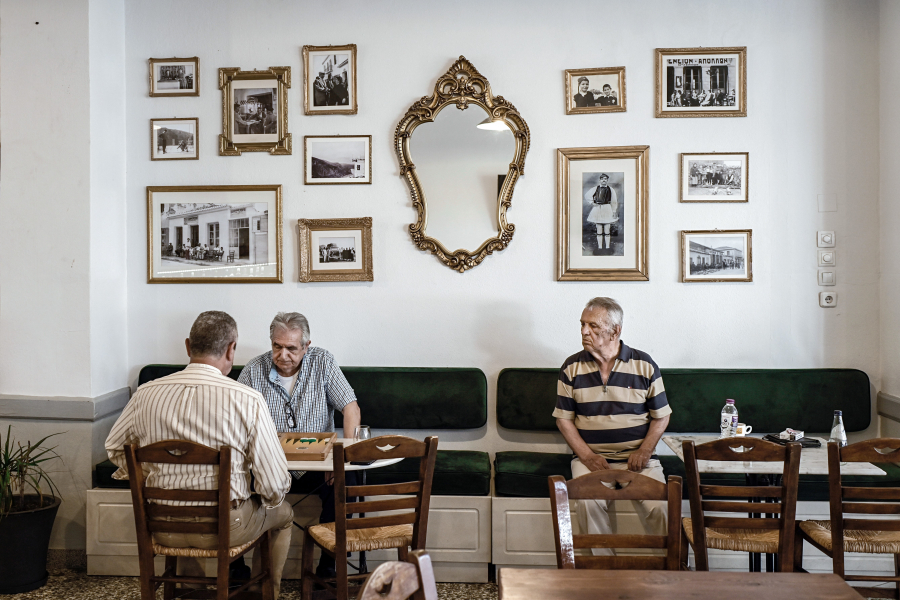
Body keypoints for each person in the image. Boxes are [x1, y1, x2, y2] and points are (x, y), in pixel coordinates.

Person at [105, 311, 293, 598]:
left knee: (181, 508)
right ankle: (260, 593)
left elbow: (115, 447)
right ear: (231, 349)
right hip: (225, 527)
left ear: (188, 346)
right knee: (285, 513)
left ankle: (191, 593)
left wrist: (151, 478)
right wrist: (261, 498)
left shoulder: (145, 394)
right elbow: (274, 483)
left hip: (160, 526)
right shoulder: (247, 399)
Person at [238, 312, 361, 578]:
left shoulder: (323, 362)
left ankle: (329, 566)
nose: (283, 355)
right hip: (269, 468)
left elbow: (350, 408)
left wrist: (342, 458)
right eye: (277, 346)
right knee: (230, 482)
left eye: (291, 348)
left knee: (346, 482)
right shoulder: (253, 369)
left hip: (318, 467)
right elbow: (236, 419)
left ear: (306, 346)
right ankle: (236, 572)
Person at [553, 297, 672, 557]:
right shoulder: (571, 367)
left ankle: (669, 570)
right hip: (590, 460)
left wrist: (645, 451)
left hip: (640, 460)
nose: (584, 331)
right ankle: (604, 572)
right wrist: (588, 457)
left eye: (593, 326)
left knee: (663, 507)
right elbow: (563, 419)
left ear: (615, 330)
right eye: (582, 324)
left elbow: (661, 416)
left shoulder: (644, 365)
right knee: (587, 503)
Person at [586, 174, 618, 251]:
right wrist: (592, 202)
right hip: (598, 209)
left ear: (607, 180)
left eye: (605, 179)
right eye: (602, 179)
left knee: (607, 230)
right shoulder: (595, 188)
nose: (604, 180)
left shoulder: (611, 189)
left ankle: (607, 247)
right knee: (599, 230)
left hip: (607, 208)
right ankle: (600, 247)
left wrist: (614, 211)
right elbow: (587, 195)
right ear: (600, 180)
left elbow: (614, 201)